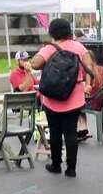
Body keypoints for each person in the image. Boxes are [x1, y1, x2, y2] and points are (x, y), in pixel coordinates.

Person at [30, 18, 97, 177]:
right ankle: (71, 168)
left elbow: (35, 64)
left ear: (52, 32)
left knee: (54, 132)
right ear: (69, 31)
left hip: (52, 98)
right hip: (74, 96)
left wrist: (40, 55)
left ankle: (56, 164)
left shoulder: (49, 48)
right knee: (71, 133)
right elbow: (90, 67)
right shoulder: (78, 47)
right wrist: (89, 84)